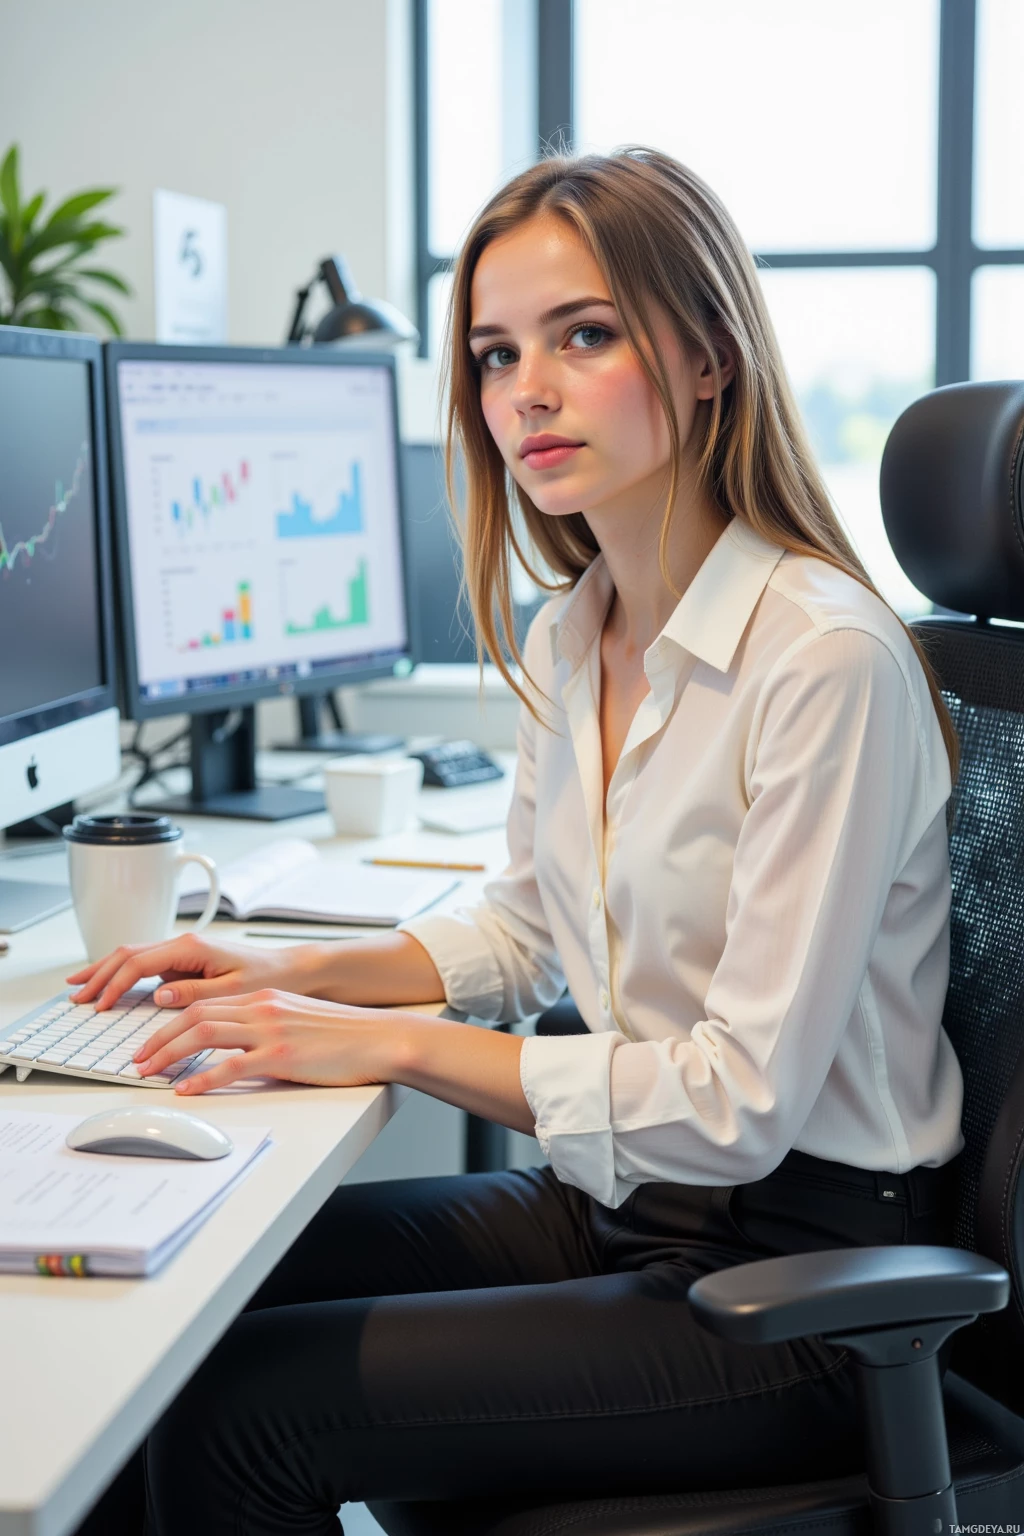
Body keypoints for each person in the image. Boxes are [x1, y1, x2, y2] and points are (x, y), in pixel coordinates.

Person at [70, 148, 964, 1535]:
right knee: (176, 1294)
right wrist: (265, 973)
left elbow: (737, 1105)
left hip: (803, 1285)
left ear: (710, 354)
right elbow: (526, 924)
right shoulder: (582, 622)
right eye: (494, 355)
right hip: (632, 1209)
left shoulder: (822, 659)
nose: (525, 392)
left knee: (243, 1413)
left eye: (584, 335)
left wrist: (387, 1043)